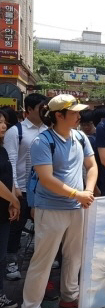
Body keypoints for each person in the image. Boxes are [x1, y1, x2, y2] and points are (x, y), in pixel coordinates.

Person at [19, 95, 97, 308]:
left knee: (74, 256)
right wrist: (78, 195)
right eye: (73, 112)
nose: (79, 116)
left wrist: (88, 192)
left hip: (78, 208)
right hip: (51, 209)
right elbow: (46, 178)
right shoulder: (42, 142)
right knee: (42, 261)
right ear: (58, 115)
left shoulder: (80, 137)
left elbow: (92, 166)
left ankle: (69, 296)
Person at [3, 93, 47, 281]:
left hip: (43, 188)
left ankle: (43, 257)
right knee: (17, 226)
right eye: (41, 108)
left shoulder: (48, 129)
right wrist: (15, 186)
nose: (44, 111)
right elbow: (11, 159)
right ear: (29, 110)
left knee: (43, 223)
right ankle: (11, 261)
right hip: (22, 187)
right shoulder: (16, 131)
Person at [0, 109, 20, 308]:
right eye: (0, 122)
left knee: (1, 256)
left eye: (4, 122)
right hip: (6, 204)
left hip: (3, 210)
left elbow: (9, 174)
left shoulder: (3, 148)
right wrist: (14, 199)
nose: (4, 125)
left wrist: (12, 202)